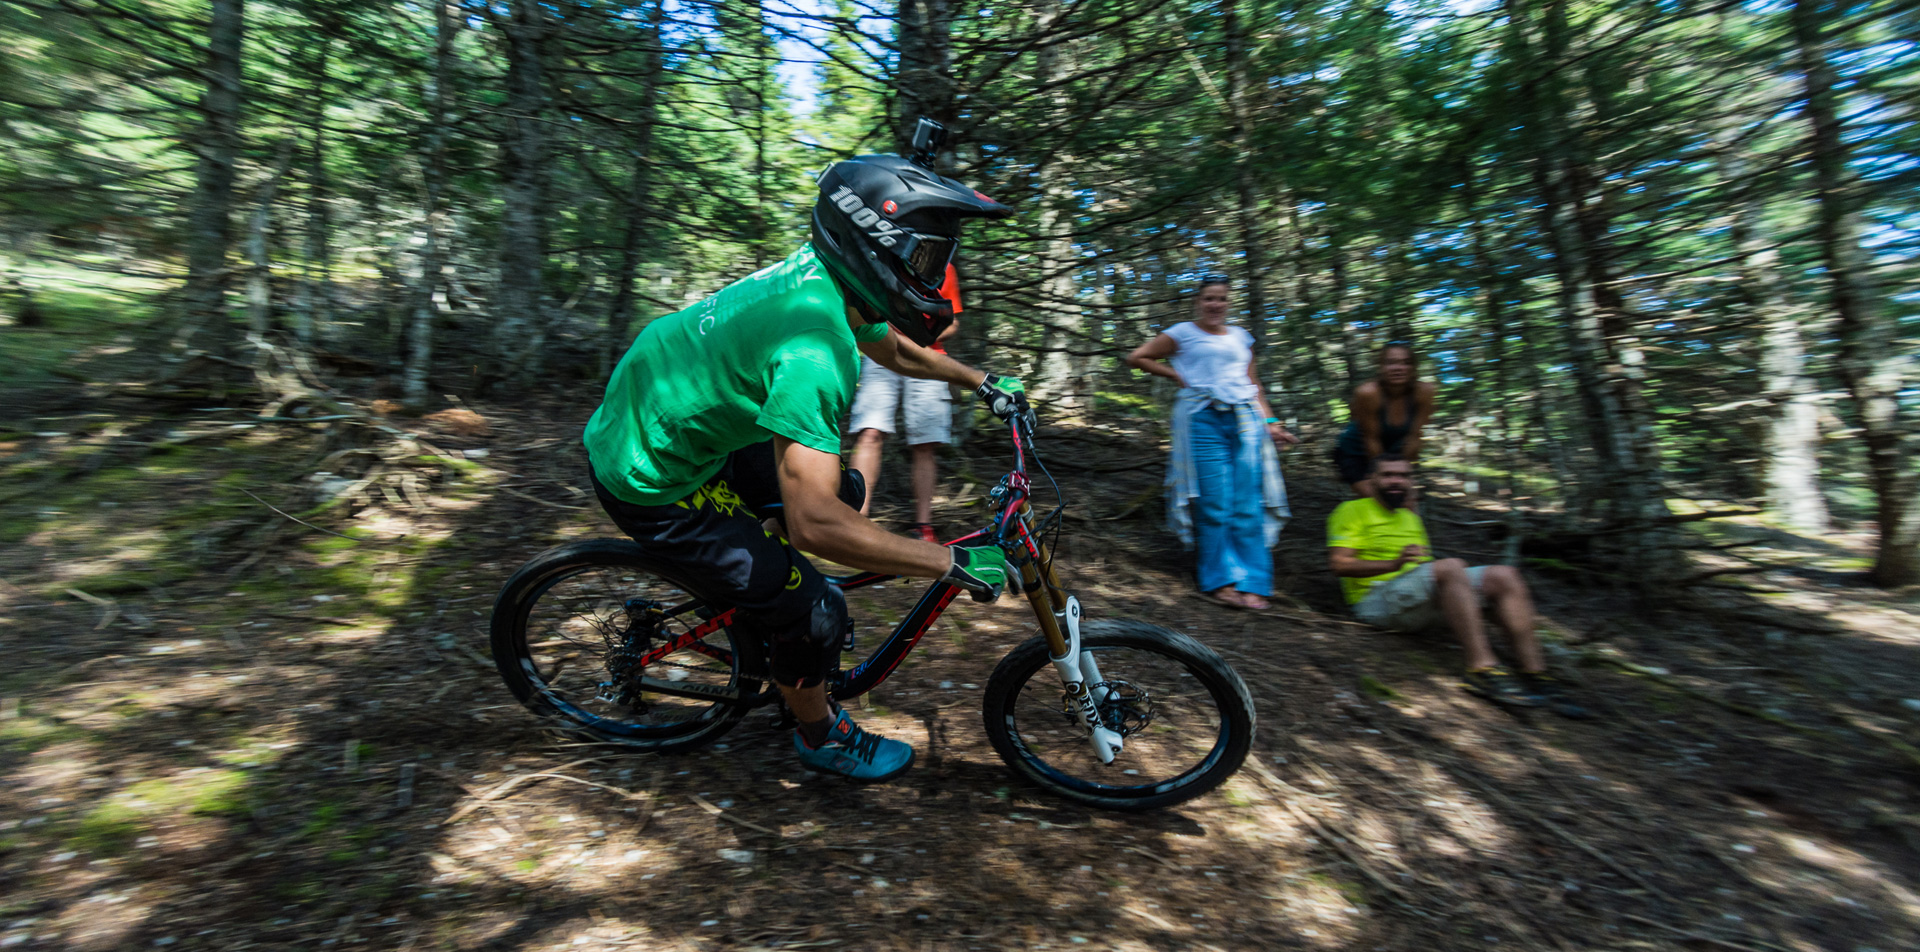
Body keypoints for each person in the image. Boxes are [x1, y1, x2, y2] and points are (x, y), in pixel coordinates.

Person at [581, 139, 1029, 781]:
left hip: (670, 412)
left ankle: (761, 607)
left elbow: (895, 350)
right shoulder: (817, 351)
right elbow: (816, 526)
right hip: (652, 469)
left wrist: (981, 380)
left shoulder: (826, 279)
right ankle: (820, 735)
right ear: (879, 244)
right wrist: (951, 562)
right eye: (924, 258)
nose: (932, 277)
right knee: (817, 608)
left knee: (842, 490)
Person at [1326, 454, 1586, 716]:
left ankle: (1536, 674)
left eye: (1403, 475)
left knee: (1505, 575)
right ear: (1372, 479)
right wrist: (1394, 564)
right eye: (1388, 475)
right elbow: (1340, 565)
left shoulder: (1409, 517)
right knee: (1451, 566)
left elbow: (1426, 572)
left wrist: (1456, 584)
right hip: (1375, 601)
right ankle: (1482, 669)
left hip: (1415, 602)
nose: (1397, 481)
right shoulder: (1351, 511)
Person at [1126, 274, 1298, 612]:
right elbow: (1138, 357)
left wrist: (1272, 423)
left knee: (1249, 502)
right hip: (1203, 420)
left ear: (1228, 302)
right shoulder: (1182, 334)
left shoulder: (1240, 337)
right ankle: (1221, 580)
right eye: (1209, 298)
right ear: (1198, 301)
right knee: (1215, 503)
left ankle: (1256, 583)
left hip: (1246, 419)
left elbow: (1254, 384)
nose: (1215, 304)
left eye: (1221, 298)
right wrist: (1174, 375)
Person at [847, 264, 965, 543]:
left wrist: (921, 335)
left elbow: (954, 321)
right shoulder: (887, 257)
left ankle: (923, 527)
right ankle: (856, 519)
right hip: (880, 351)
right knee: (870, 431)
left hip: (928, 356)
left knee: (925, 442)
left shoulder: (943, 267)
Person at [1332, 343, 1435, 502]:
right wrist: (1379, 476)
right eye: (1391, 362)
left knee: (1406, 501)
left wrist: (1404, 474)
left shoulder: (1424, 392)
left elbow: (1415, 437)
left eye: (1406, 362)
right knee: (1377, 500)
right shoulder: (1368, 393)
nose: (1399, 368)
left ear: (1413, 367)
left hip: (1394, 451)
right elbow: (1371, 439)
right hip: (1356, 450)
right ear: (1380, 366)